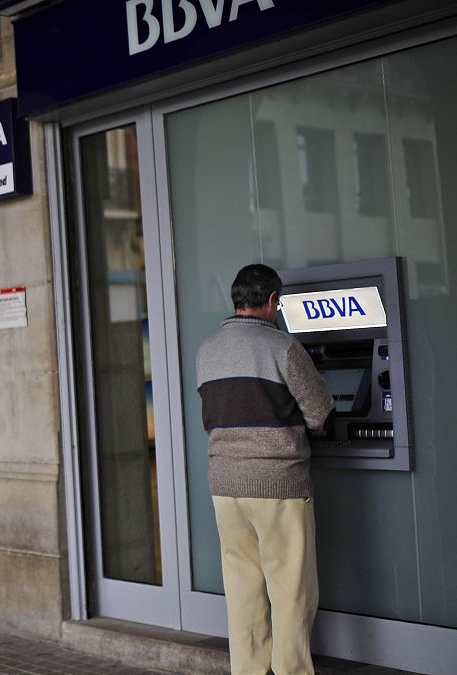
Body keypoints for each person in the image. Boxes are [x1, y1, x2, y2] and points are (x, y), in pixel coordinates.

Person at [196, 264, 334, 675]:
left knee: (242, 592)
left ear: (237, 300)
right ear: (272, 301)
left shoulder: (208, 350)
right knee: (290, 590)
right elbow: (320, 411)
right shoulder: (283, 348)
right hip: (277, 485)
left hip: (225, 485)